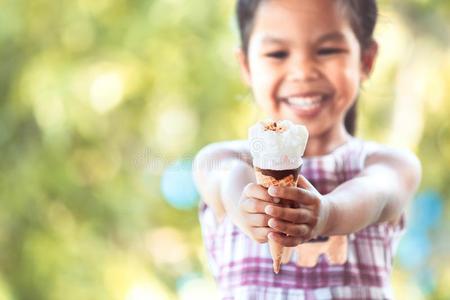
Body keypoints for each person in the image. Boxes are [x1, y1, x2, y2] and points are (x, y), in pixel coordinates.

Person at [193, 0, 421, 299]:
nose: (302, 71)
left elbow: (376, 194)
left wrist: (327, 214)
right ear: (246, 66)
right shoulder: (221, 158)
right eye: (277, 53)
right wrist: (246, 206)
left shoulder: (390, 164)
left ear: (365, 59)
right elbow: (227, 179)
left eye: (327, 50)